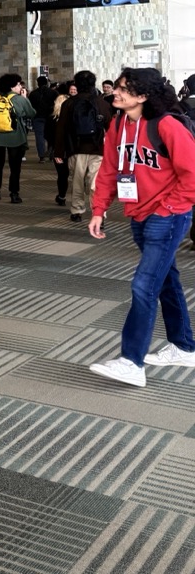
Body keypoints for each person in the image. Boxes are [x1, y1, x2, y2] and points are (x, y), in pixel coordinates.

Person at [88, 68, 195, 387]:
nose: (116, 92)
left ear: (143, 96)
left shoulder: (167, 126)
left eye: (124, 89)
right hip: (138, 215)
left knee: (144, 285)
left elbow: (192, 174)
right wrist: (99, 209)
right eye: (117, 87)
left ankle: (131, 361)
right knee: (166, 280)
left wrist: (168, 208)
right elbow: (109, 169)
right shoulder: (118, 124)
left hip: (167, 216)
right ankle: (184, 346)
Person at [53, 70, 112, 223]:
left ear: (77, 85)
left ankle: (76, 210)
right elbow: (111, 128)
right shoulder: (102, 103)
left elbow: (61, 129)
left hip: (75, 149)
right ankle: (99, 213)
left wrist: (58, 151)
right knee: (96, 183)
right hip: (98, 149)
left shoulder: (68, 103)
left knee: (77, 181)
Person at [0, 74, 35, 203]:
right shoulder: (20, 100)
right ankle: (14, 193)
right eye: (18, 84)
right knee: (15, 167)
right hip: (15, 137)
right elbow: (32, 113)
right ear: (12, 87)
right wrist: (25, 99)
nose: (20, 87)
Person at [29, 75, 56, 161]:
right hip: (51, 117)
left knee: (39, 137)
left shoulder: (33, 94)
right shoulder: (53, 93)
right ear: (47, 83)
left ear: (38, 83)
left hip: (37, 117)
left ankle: (41, 156)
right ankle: (51, 154)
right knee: (51, 136)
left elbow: (30, 106)